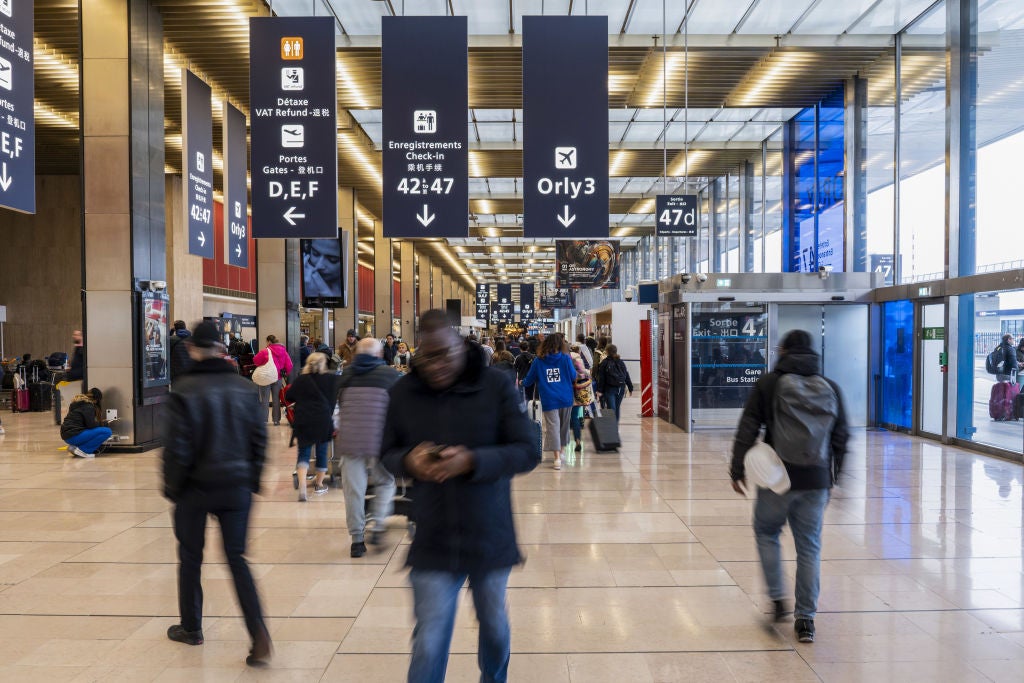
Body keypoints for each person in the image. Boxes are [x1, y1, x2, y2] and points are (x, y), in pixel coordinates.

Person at [381, 310, 539, 683]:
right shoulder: (403, 393)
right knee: (430, 640)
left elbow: (527, 450)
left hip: (488, 531)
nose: (435, 366)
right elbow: (385, 453)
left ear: (461, 345)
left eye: (444, 355)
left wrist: (472, 460)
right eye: (427, 356)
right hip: (434, 535)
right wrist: (408, 461)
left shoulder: (496, 385)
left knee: (495, 627)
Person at [161, 321, 271, 666]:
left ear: (193, 350)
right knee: (237, 559)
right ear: (222, 350)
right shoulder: (243, 388)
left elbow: (176, 448)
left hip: (195, 487)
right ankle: (258, 635)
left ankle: (192, 628)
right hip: (236, 486)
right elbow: (259, 439)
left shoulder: (183, 389)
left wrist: (173, 488)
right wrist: (251, 480)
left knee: (191, 558)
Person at [729, 329, 849, 645]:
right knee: (809, 546)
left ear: (782, 351)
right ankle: (805, 619)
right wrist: (834, 477)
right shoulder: (830, 386)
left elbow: (749, 425)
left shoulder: (769, 383)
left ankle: (778, 599)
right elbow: (841, 436)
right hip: (816, 479)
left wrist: (737, 467)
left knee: (767, 533)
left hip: (776, 478)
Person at [337, 338, 400, 557]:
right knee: (386, 482)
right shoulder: (391, 376)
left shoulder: (345, 375)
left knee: (353, 492)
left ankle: (357, 541)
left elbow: (339, 406)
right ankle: (378, 523)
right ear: (379, 354)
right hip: (379, 442)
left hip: (349, 442)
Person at [285, 352, 339, 502]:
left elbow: (288, 396)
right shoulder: (332, 379)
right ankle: (319, 484)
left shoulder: (301, 380)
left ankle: (302, 486)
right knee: (322, 453)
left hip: (304, 419)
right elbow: (335, 397)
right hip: (323, 418)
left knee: (304, 453)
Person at [522, 333, 577, 470]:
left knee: (553, 427)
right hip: (566, 398)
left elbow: (528, 380)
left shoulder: (538, 361)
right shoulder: (565, 358)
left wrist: (521, 381)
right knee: (564, 427)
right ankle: (562, 452)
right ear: (561, 344)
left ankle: (557, 458)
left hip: (549, 399)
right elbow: (573, 376)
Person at [60, 388, 113, 458]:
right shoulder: (89, 406)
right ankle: (84, 450)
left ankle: (75, 448)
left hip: (66, 436)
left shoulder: (76, 403)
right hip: (74, 435)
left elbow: (84, 424)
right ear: (96, 400)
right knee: (107, 431)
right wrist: (104, 423)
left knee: (91, 432)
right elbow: (91, 425)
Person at [252, 335, 293, 425]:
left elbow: (255, 360)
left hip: (266, 377)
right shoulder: (283, 351)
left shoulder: (265, 351)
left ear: (269, 342)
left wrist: (263, 364)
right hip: (277, 378)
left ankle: (264, 420)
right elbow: (289, 365)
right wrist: (284, 372)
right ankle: (276, 420)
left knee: (265, 399)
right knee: (276, 399)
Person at [595, 344, 633, 422]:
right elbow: (626, 374)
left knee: (611, 409)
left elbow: (602, 378)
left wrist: (599, 390)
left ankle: (613, 428)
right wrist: (630, 387)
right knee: (617, 408)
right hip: (621, 388)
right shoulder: (621, 362)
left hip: (609, 389)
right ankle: (615, 428)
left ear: (607, 352)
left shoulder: (604, 363)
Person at [569, 343, 590, 451]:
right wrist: (588, 374)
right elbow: (582, 372)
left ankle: (560, 444)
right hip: (576, 389)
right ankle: (577, 440)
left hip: (564, 389)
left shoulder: (562, 357)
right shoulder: (577, 358)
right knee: (575, 416)